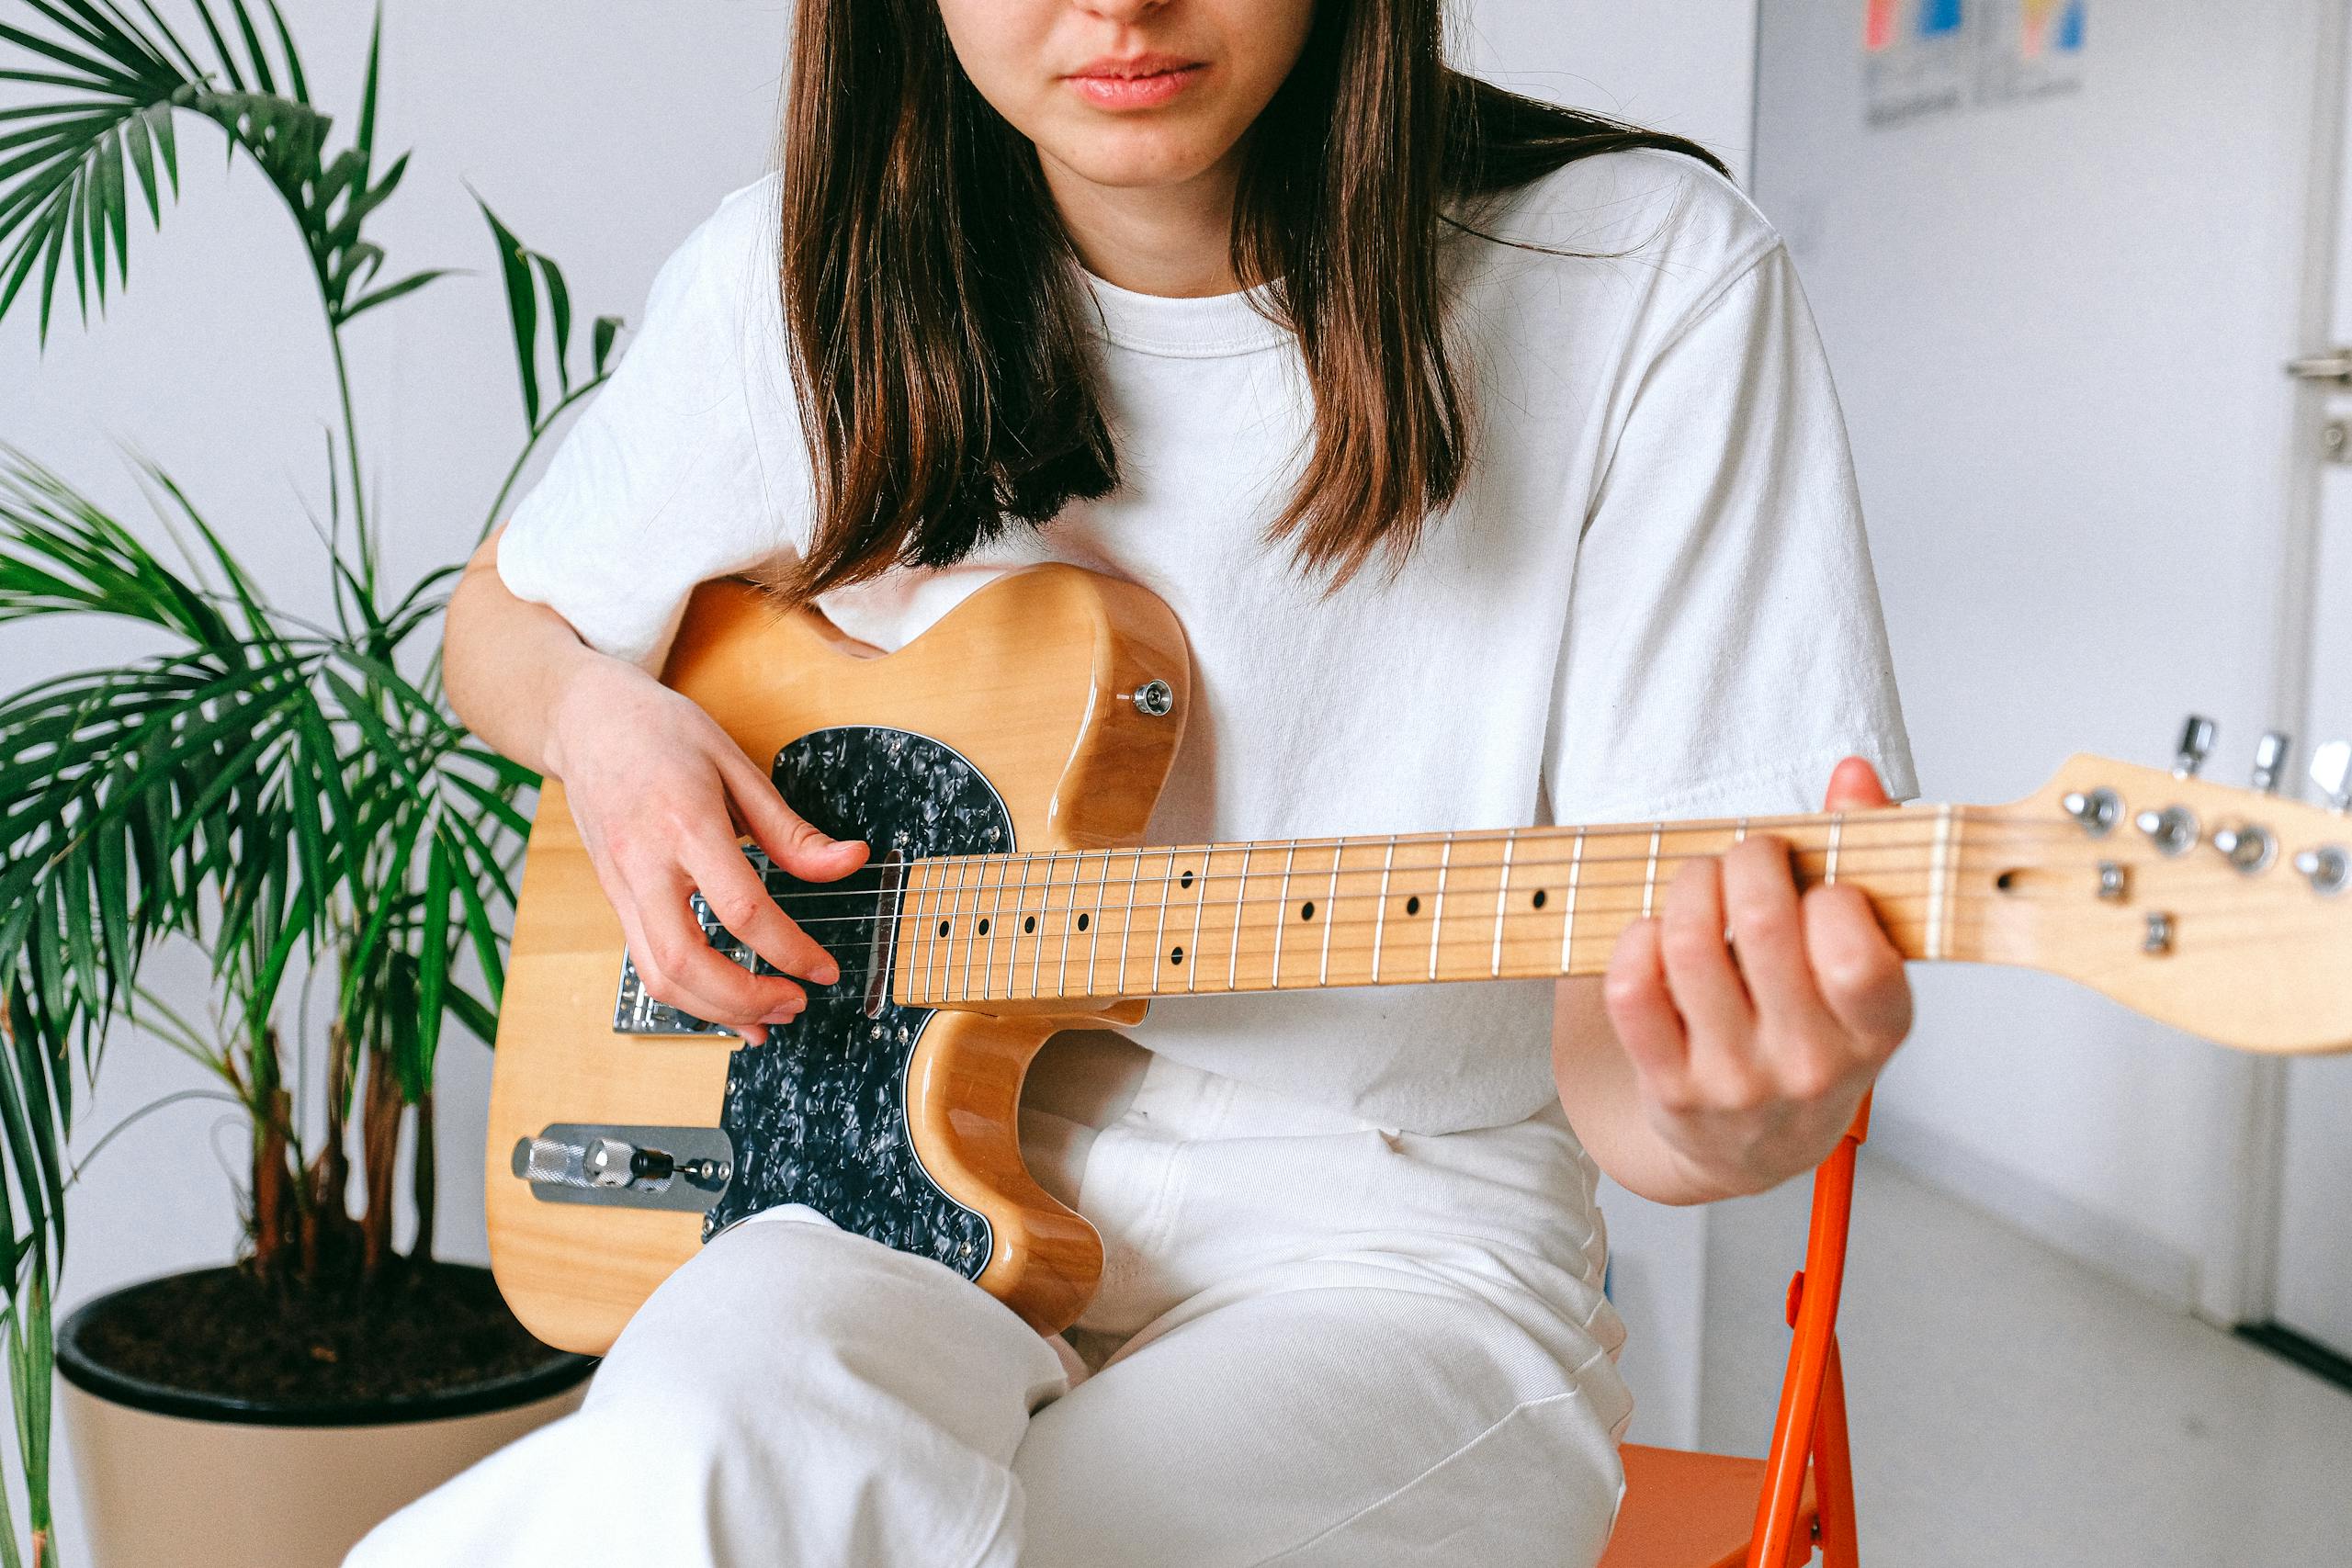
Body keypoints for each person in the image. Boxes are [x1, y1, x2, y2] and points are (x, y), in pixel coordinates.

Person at [352, 1, 1917, 1563]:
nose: (1117, 6)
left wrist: (1730, 1111)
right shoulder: (802, 280)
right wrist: (598, 724)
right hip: (868, 1192)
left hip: (1396, 1258)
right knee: (686, 1456)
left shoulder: (1643, 278)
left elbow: (1643, 1097)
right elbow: (504, 617)